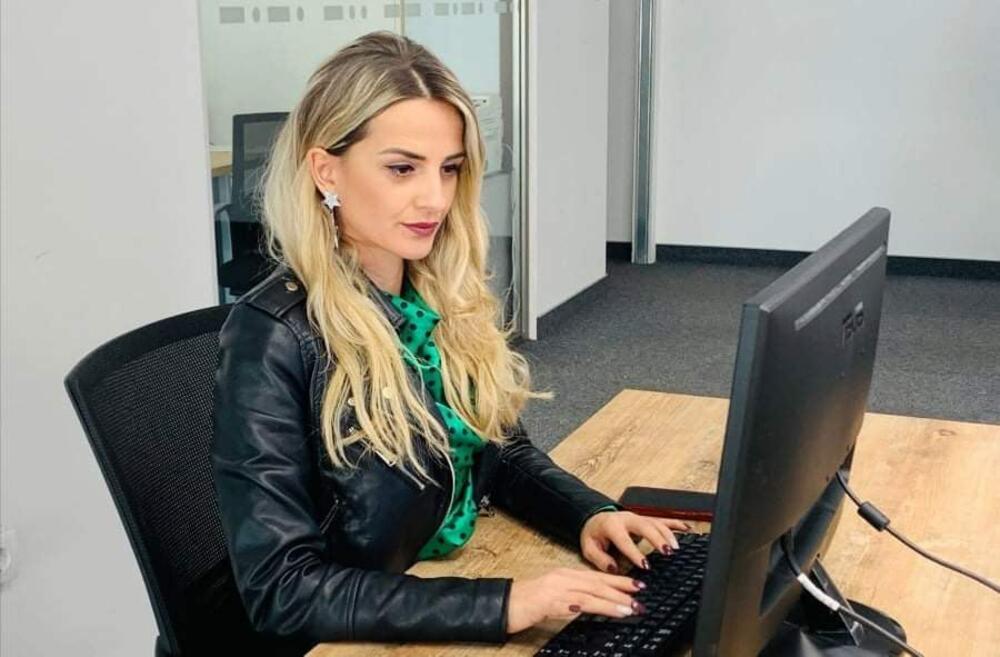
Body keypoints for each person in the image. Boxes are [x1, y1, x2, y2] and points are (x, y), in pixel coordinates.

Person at [211, 31, 688, 651]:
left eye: (450, 168)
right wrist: (507, 603)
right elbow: (283, 591)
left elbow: (495, 451)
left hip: (429, 585)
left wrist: (589, 514)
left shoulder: (435, 293)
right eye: (402, 168)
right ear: (327, 171)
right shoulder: (274, 336)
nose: (435, 198)